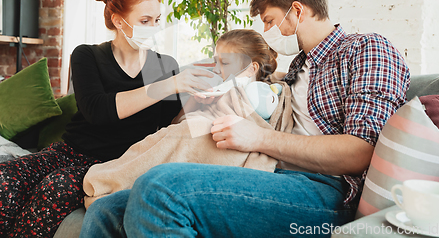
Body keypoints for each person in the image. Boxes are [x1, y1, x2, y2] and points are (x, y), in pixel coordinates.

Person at [79, 0, 411, 238]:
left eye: (269, 20)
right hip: (269, 172)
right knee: (107, 211)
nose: (266, 31)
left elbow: (360, 151)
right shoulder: (297, 67)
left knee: (161, 187)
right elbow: (263, 101)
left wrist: (259, 137)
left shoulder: (366, 49)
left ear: (296, 11)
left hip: (322, 192)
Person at [0, 0, 213, 237]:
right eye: (144, 21)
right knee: (6, 178)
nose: (154, 28)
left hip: (117, 163)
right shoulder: (87, 55)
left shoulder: (163, 65)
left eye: (157, 20)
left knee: (55, 187)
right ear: (118, 21)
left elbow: (168, 126)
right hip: (70, 151)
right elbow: (98, 111)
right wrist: (167, 86)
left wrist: (196, 103)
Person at [82, 29, 292, 208]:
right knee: (163, 138)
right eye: (215, 62)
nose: (217, 69)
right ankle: (114, 178)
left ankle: (107, 181)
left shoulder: (259, 92)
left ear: (251, 68)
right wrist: (196, 101)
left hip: (218, 140)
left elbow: (252, 118)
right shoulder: (218, 87)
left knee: (180, 139)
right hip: (188, 130)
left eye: (225, 63)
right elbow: (179, 123)